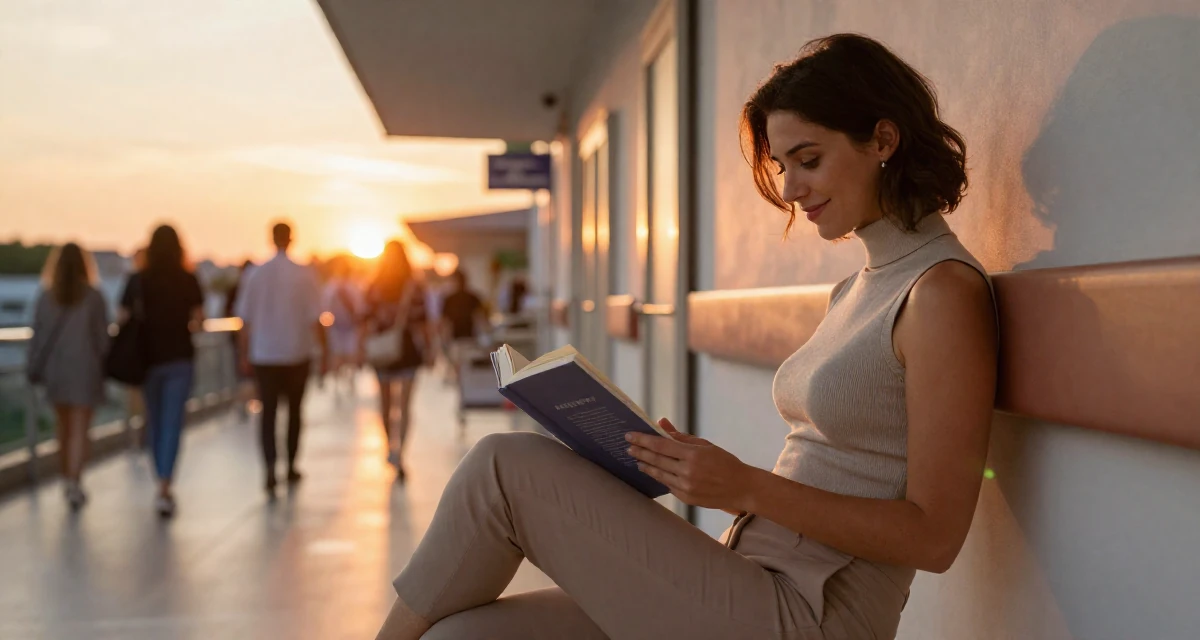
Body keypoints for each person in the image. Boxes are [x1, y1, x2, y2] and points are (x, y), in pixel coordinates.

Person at [375, 34, 998, 640]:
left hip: (812, 616)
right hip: (746, 574)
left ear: (883, 139)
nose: (790, 189)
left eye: (808, 160)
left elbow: (934, 538)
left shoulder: (941, 292)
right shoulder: (859, 287)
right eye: (783, 167)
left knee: (503, 466)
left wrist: (745, 486)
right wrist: (691, 470)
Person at [235, 222, 327, 498]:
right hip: (296, 353)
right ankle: (291, 465)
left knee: (268, 413)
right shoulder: (304, 274)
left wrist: (243, 354)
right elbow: (315, 318)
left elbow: (244, 321)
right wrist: (325, 350)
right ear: (291, 238)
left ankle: (269, 469)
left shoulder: (255, 274)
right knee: (295, 412)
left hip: (264, 355)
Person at [121, 225, 205, 518]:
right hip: (179, 358)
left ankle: (160, 475)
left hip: (147, 361)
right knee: (172, 422)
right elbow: (199, 320)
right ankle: (165, 485)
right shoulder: (187, 279)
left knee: (154, 421)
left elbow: (122, 317)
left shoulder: (138, 280)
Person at [26, 243, 109, 510]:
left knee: (62, 428)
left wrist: (33, 366)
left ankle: (66, 477)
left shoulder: (46, 296)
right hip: (85, 371)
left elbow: (38, 337)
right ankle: (75, 480)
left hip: (56, 371)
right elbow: (102, 340)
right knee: (80, 430)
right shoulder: (94, 297)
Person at [363, 241, 431, 482]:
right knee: (404, 406)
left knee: (385, 402)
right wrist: (430, 349)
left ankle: (388, 447)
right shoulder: (414, 287)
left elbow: (366, 320)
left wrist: (362, 349)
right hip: (408, 349)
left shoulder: (375, 287)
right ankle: (400, 452)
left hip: (382, 350)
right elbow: (422, 322)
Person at [320, 255, 364, 399]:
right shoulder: (351, 287)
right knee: (346, 356)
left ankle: (341, 383)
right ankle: (345, 383)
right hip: (344, 327)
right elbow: (359, 308)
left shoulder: (332, 287)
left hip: (341, 328)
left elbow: (325, 309)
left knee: (340, 356)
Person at [439, 270, 487, 387]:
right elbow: (481, 319)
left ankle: (462, 389)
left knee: (458, 368)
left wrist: (444, 341)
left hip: (456, 339)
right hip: (470, 337)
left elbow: (445, 323)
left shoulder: (449, 299)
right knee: (468, 368)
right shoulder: (473, 297)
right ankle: (466, 389)